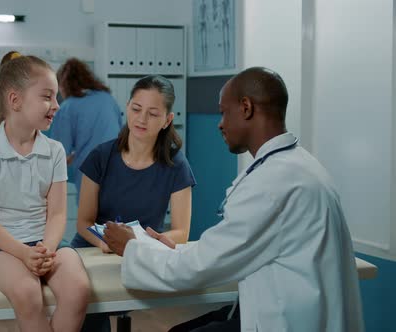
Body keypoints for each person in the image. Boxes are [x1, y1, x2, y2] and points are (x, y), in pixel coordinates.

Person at [103, 67, 364, 331]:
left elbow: (199, 268)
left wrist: (132, 249)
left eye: (223, 112)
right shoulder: (300, 166)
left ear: (246, 108)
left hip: (288, 319)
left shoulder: (270, 184)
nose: (220, 123)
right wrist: (159, 249)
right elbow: (227, 248)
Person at [0, 51, 90, 332]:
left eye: (57, 96)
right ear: (15, 100)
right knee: (28, 293)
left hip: (45, 242)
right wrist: (23, 253)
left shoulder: (55, 151)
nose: (56, 105)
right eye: (47, 96)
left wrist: (46, 248)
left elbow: (57, 214)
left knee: (78, 289)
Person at [73, 75, 196, 331]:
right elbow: (84, 222)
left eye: (153, 113)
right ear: (127, 107)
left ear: (167, 120)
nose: (141, 119)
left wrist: (135, 244)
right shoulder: (101, 156)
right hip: (94, 250)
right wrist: (106, 243)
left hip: (139, 254)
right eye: (136, 109)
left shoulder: (176, 165)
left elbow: (181, 232)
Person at [50, 57, 122, 199]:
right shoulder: (108, 99)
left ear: (64, 85)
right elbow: (115, 136)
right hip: (117, 173)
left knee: (89, 217)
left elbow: (57, 155)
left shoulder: (68, 107)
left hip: (90, 177)